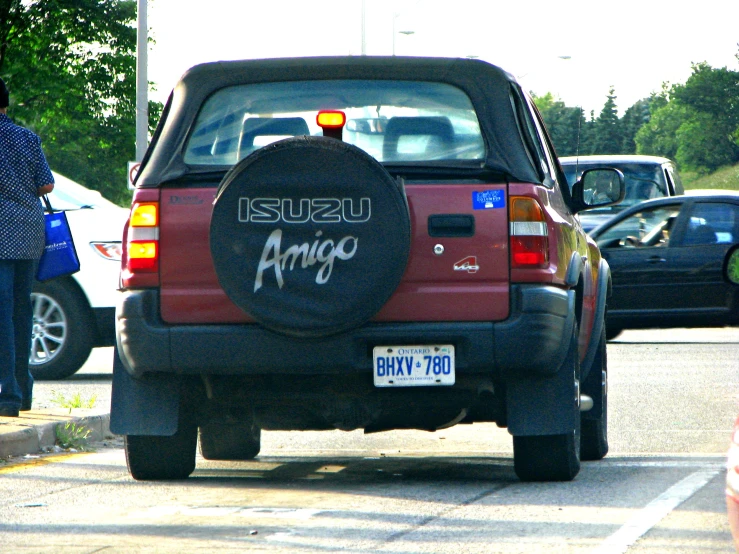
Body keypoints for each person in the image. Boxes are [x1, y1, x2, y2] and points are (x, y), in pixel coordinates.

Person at [0, 77, 54, 417]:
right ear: (5, 104)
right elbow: (46, 183)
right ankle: (25, 388)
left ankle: (8, 394)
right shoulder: (26, 137)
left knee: (2, 313)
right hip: (29, 232)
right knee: (23, 310)